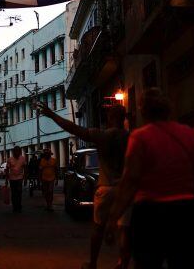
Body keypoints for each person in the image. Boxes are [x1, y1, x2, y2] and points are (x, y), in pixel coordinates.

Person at [107, 88, 194, 269]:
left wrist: (113, 218)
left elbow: (130, 181)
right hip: (187, 213)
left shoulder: (140, 137)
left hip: (151, 215)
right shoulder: (188, 134)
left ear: (142, 110)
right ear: (169, 109)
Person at [37, 102, 131, 269]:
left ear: (110, 118)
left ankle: (93, 263)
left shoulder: (102, 136)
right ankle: (122, 262)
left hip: (105, 186)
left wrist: (52, 115)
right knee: (125, 228)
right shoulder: (131, 137)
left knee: (97, 228)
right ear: (124, 118)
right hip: (125, 189)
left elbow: (73, 128)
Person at [6, 146, 27, 212]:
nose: (17, 153)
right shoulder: (10, 159)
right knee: (13, 193)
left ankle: (19, 205)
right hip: (12, 178)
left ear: (20, 152)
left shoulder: (22, 158)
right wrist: (6, 179)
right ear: (13, 152)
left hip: (20, 178)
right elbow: (7, 169)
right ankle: (14, 206)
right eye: (15, 151)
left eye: (18, 151)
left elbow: (25, 168)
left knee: (19, 192)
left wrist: (25, 178)